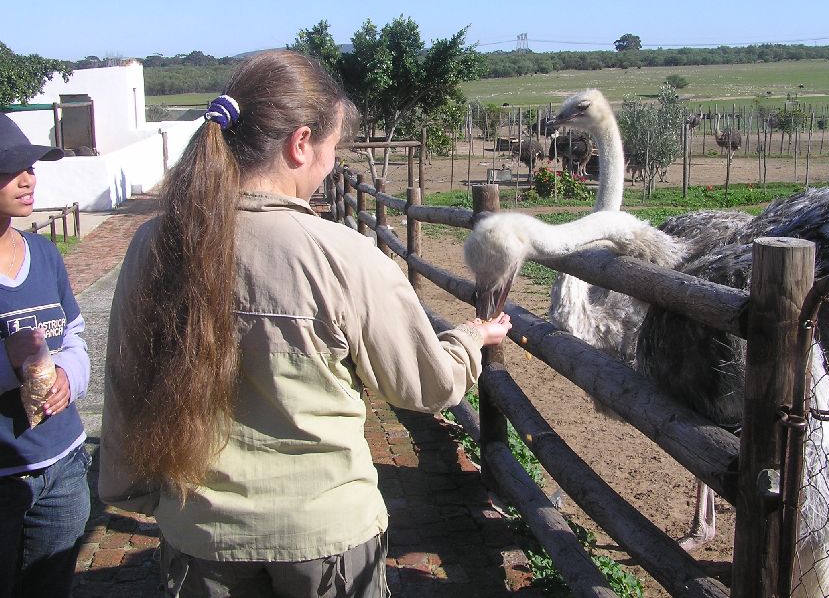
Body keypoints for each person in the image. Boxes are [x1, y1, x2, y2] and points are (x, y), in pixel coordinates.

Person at [99, 51, 511, 597]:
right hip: (326, 538)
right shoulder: (343, 256)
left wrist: (129, 488)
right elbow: (425, 386)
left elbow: (127, 381)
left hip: (199, 535)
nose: (329, 166)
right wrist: (470, 338)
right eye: (331, 148)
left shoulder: (154, 246)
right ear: (300, 143)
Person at [0, 116, 92, 598]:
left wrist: (67, 377)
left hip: (65, 463)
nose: (27, 180)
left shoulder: (44, 253)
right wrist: (8, 361)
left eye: (30, 168)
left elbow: (74, 335)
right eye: (10, 170)